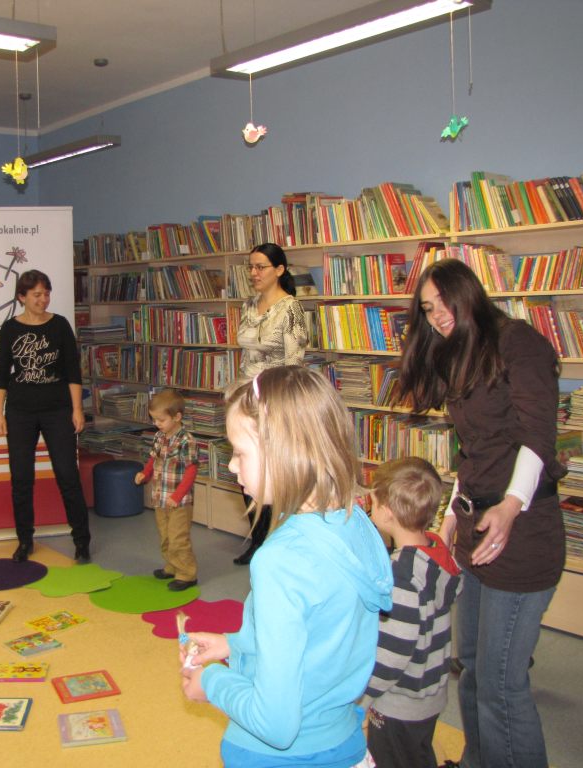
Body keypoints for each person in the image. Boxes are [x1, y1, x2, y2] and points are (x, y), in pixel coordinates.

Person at [180, 366, 393, 768]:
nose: (231, 466)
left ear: (286, 452)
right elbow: (320, 634)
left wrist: (212, 681)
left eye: (240, 453)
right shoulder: (355, 524)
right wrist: (235, 644)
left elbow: (275, 723)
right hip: (343, 744)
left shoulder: (280, 560)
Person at [398, 259, 565, 768]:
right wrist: (454, 512)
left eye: (443, 303)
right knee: (470, 666)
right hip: (476, 528)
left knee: (500, 683)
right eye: (428, 309)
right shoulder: (461, 354)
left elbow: (537, 436)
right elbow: (474, 449)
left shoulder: (519, 343)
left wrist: (511, 506)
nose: (437, 316)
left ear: (468, 293)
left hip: (524, 531)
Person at [361, 457, 463, 768]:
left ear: (388, 512)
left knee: (393, 759)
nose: (369, 505)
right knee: (416, 755)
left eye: (373, 501)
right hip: (428, 693)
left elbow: (393, 654)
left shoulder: (401, 577)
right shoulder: (435, 554)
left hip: (398, 703)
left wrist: (362, 698)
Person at [0, 269, 91, 564]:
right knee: (21, 479)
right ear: (21, 297)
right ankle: (25, 540)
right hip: (20, 411)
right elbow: (1, 375)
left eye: (46, 294)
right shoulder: (10, 328)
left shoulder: (59, 325)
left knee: (67, 475)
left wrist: (77, 409)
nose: (43, 300)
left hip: (57, 409)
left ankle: (82, 541)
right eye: (36, 295)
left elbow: (73, 371)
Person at [233, 242, 309, 566]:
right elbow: (245, 356)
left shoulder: (290, 308)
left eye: (260, 266)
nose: (254, 273)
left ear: (279, 270)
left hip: (273, 402)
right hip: (245, 399)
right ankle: (257, 540)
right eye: (250, 266)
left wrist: (279, 406)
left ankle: (275, 544)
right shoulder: (249, 305)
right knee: (247, 475)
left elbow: (294, 363)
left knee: (273, 476)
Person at [134, 388, 199, 591]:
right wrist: (145, 474)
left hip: (179, 502)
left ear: (177, 417)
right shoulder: (159, 437)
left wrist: (177, 496)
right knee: (166, 536)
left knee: (178, 538)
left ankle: (187, 574)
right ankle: (172, 567)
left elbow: (191, 471)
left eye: (161, 420)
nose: (157, 423)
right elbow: (154, 459)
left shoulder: (187, 441)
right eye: (154, 419)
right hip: (160, 498)